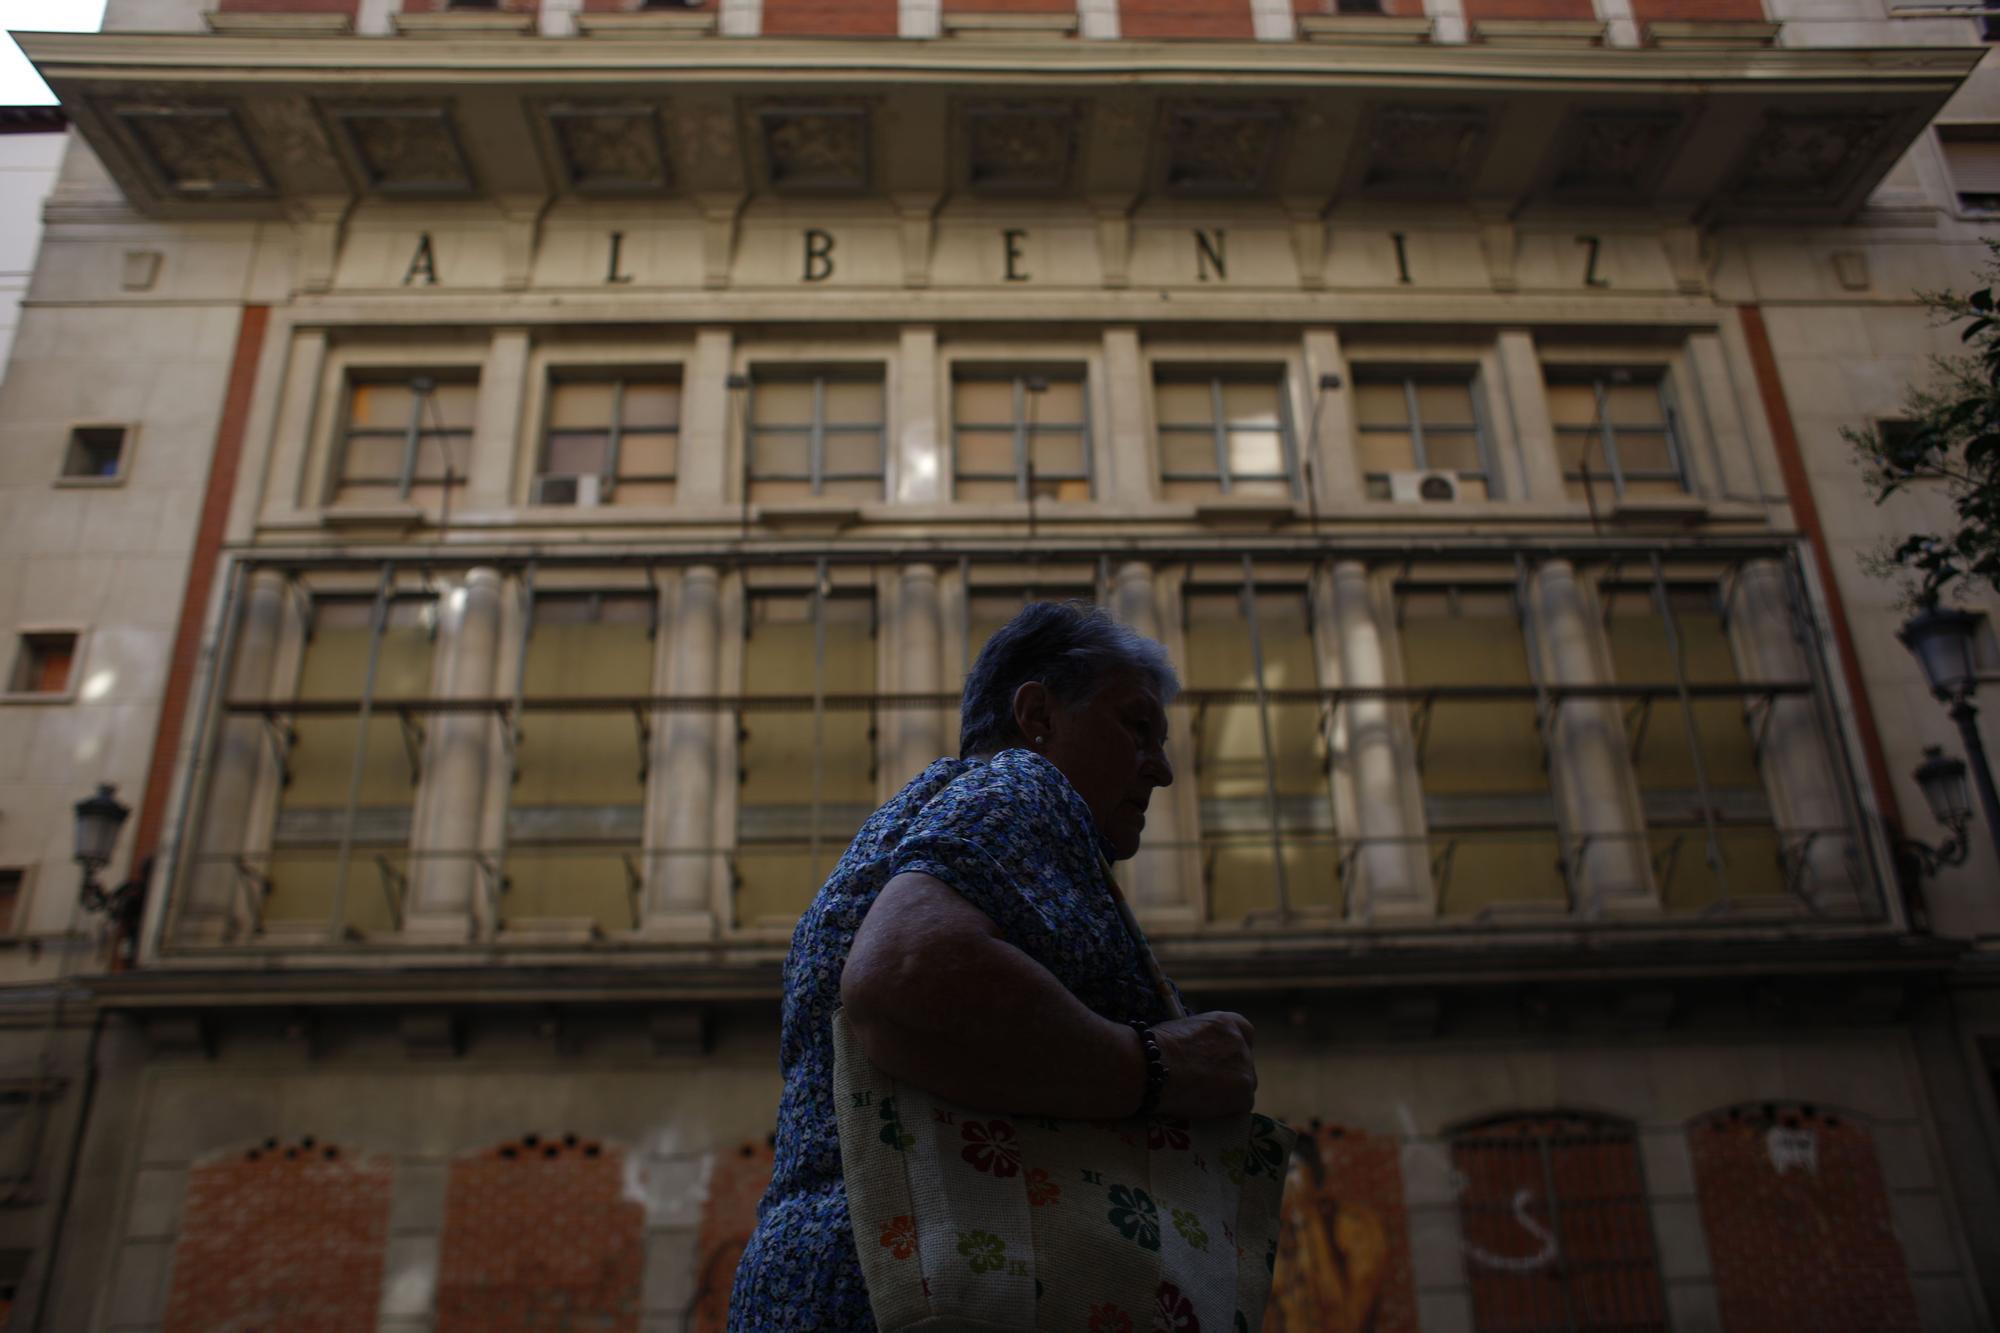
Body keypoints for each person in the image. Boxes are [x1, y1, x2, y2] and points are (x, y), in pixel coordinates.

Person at [728, 600, 1260, 1331]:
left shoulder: (910, 819)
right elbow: (905, 974)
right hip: (929, 1287)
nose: (1162, 770)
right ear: (1038, 714)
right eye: (1136, 727)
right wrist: (1157, 1065)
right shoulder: (1023, 786)